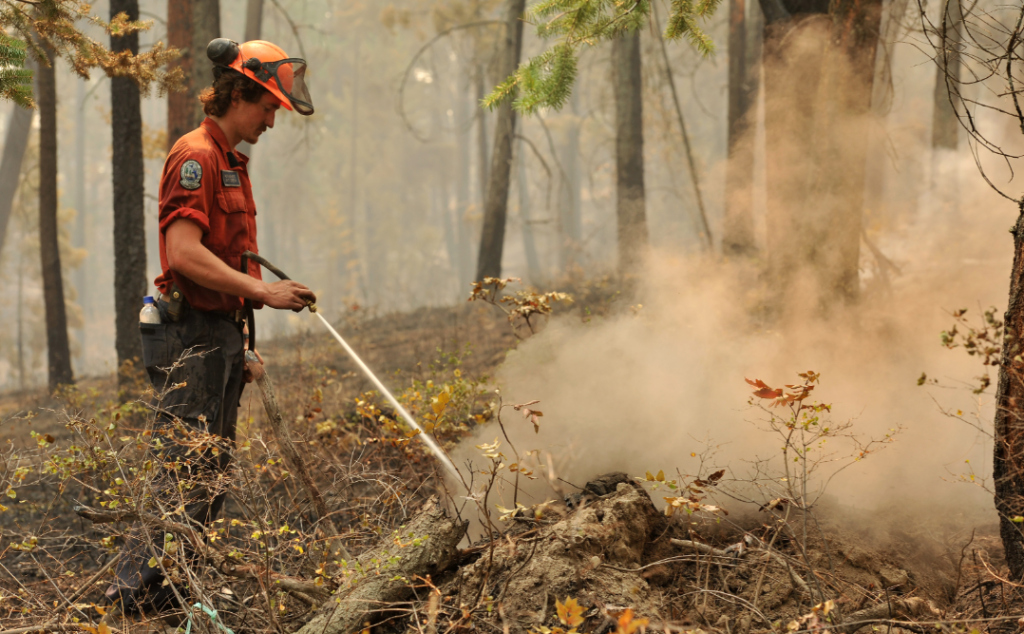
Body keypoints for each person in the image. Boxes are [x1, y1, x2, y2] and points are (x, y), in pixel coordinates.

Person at [103, 38, 317, 621]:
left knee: (210, 470)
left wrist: (243, 340)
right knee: (183, 465)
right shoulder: (195, 157)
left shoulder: (230, 161)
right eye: (268, 108)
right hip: (186, 334)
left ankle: (172, 588)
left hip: (217, 332)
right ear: (241, 93)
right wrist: (264, 292)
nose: (273, 121)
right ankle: (130, 595)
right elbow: (184, 254)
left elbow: (231, 261)